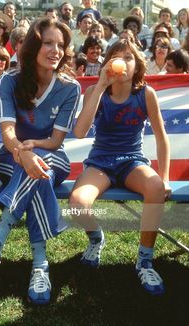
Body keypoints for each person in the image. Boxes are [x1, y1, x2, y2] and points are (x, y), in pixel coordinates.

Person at [0, 18, 81, 305]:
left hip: (53, 156)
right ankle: (40, 264)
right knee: (36, 174)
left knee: (41, 165)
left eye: (61, 45)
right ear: (33, 46)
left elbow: (56, 142)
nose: (56, 50)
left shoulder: (70, 88)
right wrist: (23, 152)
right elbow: (7, 132)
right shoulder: (9, 79)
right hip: (13, 158)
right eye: (48, 43)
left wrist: (35, 149)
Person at [69, 38, 171, 296]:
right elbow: (80, 132)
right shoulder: (95, 92)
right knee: (78, 204)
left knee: (156, 188)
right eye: (116, 56)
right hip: (100, 162)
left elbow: (161, 137)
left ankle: (145, 260)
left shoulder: (145, 94)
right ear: (107, 63)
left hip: (131, 162)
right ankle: (96, 238)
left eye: (128, 57)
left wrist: (166, 177)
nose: (122, 62)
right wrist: (101, 85)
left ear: (137, 65)